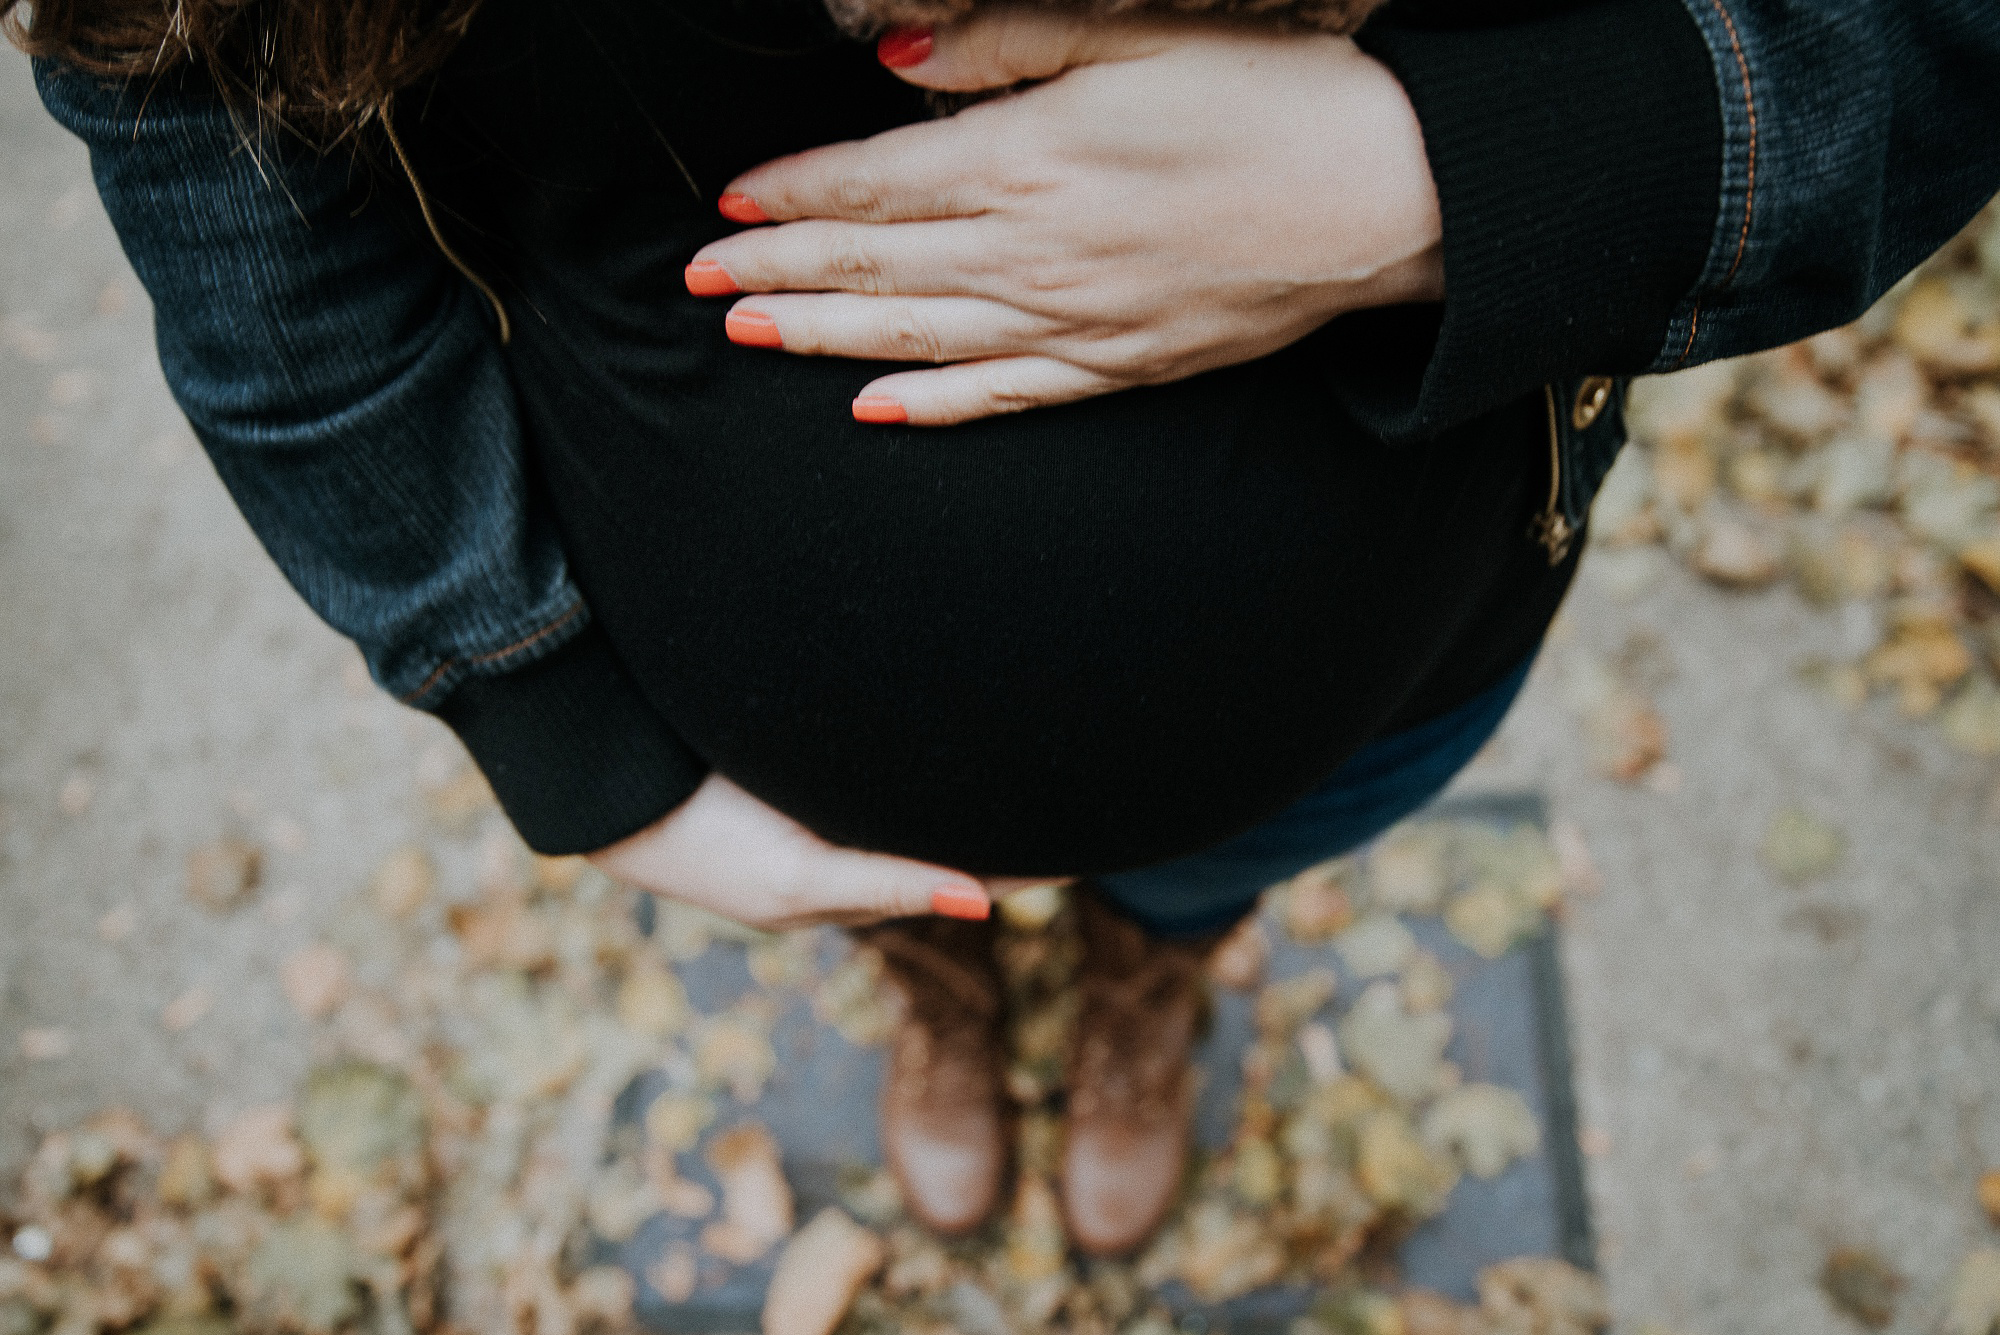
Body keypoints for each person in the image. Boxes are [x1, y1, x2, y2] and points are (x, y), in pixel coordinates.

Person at [17, 0, 1999, 1260]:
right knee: (882, 892)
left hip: (1408, 616)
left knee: (1216, 865)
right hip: (757, 721)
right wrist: (541, 711)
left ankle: (1157, 974)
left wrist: (1434, 179)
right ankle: (936, 981)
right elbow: (193, 112)